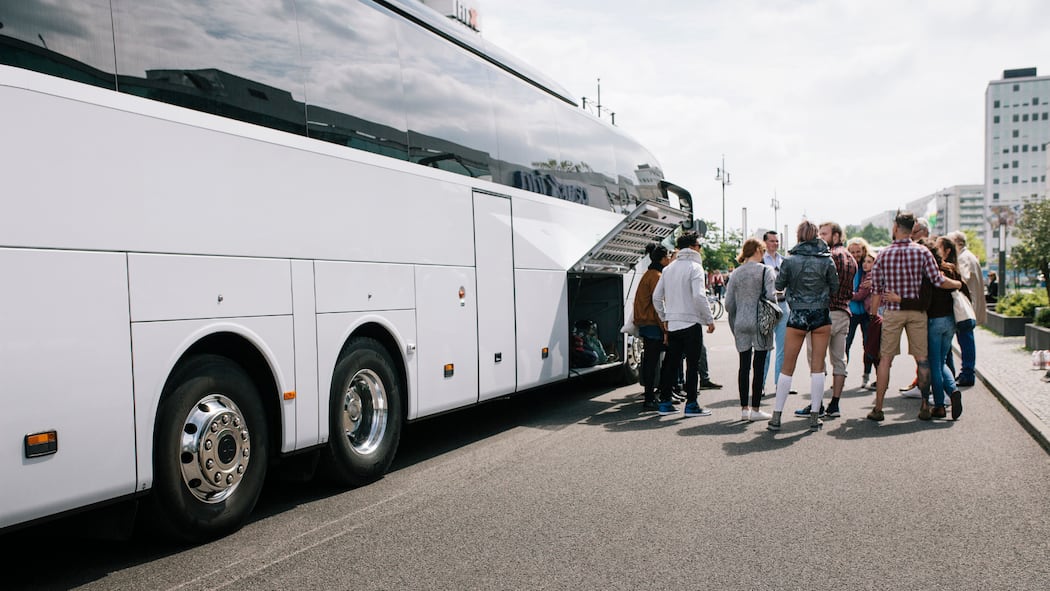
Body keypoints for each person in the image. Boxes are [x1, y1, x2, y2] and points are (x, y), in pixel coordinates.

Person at [867, 212, 961, 422]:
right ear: (912, 228)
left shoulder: (884, 254)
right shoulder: (922, 252)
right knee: (922, 359)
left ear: (895, 227)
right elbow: (937, 280)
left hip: (892, 311)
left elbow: (876, 290)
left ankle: (878, 408)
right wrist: (957, 284)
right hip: (918, 312)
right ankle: (925, 406)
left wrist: (873, 317)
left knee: (886, 360)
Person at [768, 221, 838, 432]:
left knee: (787, 367)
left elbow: (778, 286)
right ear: (817, 236)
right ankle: (815, 416)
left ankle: (776, 416)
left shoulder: (790, 260)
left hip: (797, 314)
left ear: (798, 236)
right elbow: (834, 287)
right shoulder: (827, 260)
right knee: (818, 366)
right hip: (820, 315)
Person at [794, 222, 856, 419]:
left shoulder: (827, 257)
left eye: (824, 233)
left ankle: (817, 405)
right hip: (844, 312)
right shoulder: (851, 258)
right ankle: (835, 405)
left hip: (824, 313)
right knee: (839, 360)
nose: (820, 237)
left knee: (816, 361)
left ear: (836, 236)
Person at [653, 231, 717, 417]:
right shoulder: (695, 268)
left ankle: (664, 403)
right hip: (691, 322)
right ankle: (691, 404)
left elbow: (656, 297)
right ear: (693, 247)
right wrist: (709, 319)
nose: (700, 249)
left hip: (673, 324)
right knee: (692, 364)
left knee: (671, 364)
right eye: (699, 245)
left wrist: (665, 317)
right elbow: (698, 295)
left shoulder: (668, 269)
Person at [725, 238, 776, 422]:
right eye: (762, 250)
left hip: (741, 321)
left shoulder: (735, 274)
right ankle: (755, 408)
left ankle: (744, 409)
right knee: (759, 365)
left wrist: (736, 322)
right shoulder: (766, 271)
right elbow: (771, 297)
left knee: (743, 366)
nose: (763, 253)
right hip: (760, 322)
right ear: (756, 250)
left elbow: (729, 304)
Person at [923, 237, 967, 420]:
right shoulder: (950, 268)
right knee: (941, 361)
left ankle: (941, 403)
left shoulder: (927, 272)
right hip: (951, 321)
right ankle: (952, 392)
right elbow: (962, 287)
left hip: (934, 321)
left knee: (934, 364)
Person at [633, 243, 671, 412]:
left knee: (651, 361)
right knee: (652, 361)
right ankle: (650, 397)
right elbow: (658, 305)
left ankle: (653, 395)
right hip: (653, 324)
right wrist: (665, 329)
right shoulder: (656, 276)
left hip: (647, 323)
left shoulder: (649, 273)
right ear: (663, 259)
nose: (670, 259)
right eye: (668, 256)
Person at [948, 231, 985, 387]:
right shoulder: (968, 256)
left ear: (957, 242)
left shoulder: (964, 258)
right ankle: (967, 372)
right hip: (969, 305)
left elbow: (961, 279)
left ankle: (968, 373)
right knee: (966, 340)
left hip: (965, 307)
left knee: (966, 340)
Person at [761, 231, 790, 394]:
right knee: (765, 347)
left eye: (777, 241)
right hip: (767, 306)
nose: (775, 243)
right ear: (765, 242)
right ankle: (761, 384)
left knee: (783, 347)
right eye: (772, 241)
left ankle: (780, 383)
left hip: (783, 305)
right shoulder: (761, 260)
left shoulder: (784, 260)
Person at [846, 238, 874, 386]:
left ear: (863, 251)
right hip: (850, 312)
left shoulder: (868, 266)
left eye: (858, 251)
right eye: (852, 252)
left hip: (867, 313)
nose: (856, 255)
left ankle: (867, 375)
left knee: (868, 345)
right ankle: (840, 375)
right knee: (845, 344)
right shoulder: (846, 265)